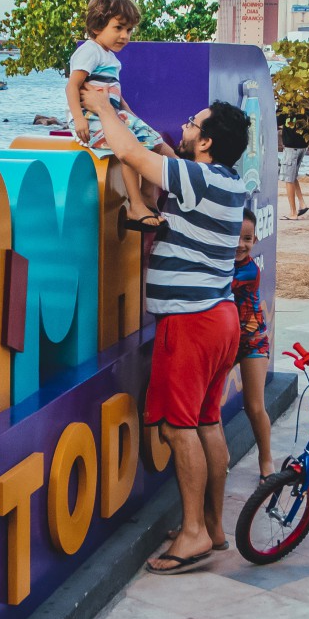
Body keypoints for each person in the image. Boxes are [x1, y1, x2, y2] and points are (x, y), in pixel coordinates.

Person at [82, 86, 250, 574]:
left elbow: (134, 155)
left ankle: (193, 533)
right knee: (206, 423)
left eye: (193, 123)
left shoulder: (196, 179)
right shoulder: (225, 181)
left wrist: (101, 109)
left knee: (179, 430)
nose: (185, 127)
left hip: (191, 321)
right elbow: (155, 148)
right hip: (219, 318)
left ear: (207, 143)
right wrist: (127, 113)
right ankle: (213, 527)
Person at [66, 0, 170, 231]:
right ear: (97, 26)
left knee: (155, 142)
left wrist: (135, 118)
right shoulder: (90, 50)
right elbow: (72, 86)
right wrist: (78, 119)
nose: (125, 35)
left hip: (112, 117)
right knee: (129, 146)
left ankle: (148, 196)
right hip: (91, 120)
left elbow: (117, 98)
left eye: (129, 30)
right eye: (118, 28)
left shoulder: (109, 57)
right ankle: (135, 204)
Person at [228, 210, 274, 477]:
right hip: (225, 341)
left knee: (255, 406)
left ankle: (266, 461)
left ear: (255, 240)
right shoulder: (220, 264)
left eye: (246, 238)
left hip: (252, 341)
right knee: (208, 404)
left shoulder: (248, 270)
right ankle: (220, 455)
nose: (240, 244)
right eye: (235, 236)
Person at [278, 122, 309, 218]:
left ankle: (293, 212)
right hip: (302, 145)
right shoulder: (304, 112)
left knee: (289, 179)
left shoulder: (287, 112)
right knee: (292, 176)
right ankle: (302, 203)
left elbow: (278, 121)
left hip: (291, 147)